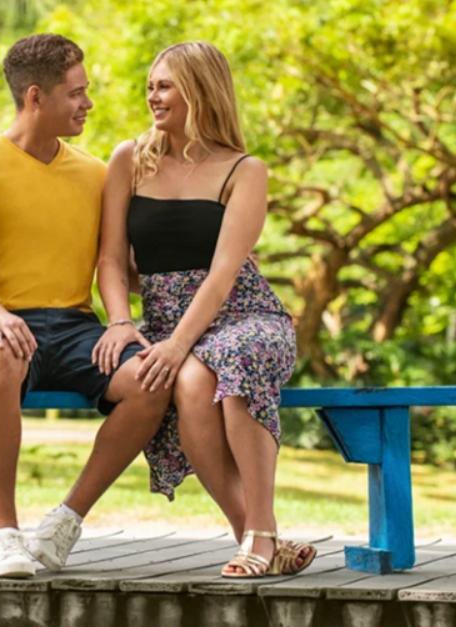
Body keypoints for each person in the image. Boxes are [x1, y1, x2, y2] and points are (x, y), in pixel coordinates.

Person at [0, 33, 171, 578]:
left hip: (74, 328)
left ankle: (64, 522)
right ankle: (3, 535)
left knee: (150, 379)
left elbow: (120, 264)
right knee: (0, 355)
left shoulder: (95, 174)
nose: (88, 103)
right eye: (76, 93)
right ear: (35, 97)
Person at [90, 41, 316, 577]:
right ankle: (258, 540)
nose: (152, 95)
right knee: (191, 383)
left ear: (199, 90)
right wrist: (122, 321)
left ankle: (258, 535)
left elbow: (222, 275)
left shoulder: (244, 169)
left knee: (230, 361)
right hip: (168, 321)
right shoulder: (129, 159)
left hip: (243, 316)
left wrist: (176, 343)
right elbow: (110, 258)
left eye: (164, 85)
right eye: (150, 85)